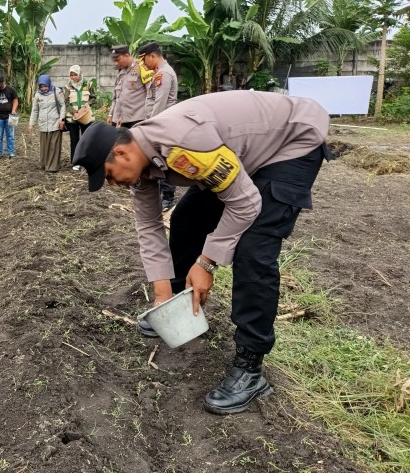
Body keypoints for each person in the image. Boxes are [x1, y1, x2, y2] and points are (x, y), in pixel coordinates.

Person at [72, 91, 330, 415]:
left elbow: (245, 203)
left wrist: (206, 262)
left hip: (291, 140)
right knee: (186, 219)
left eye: (108, 175)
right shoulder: (141, 162)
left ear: (121, 152)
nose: (111, 184)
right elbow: (149, 226)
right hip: (241, 151)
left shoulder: (183, 144)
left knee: (253, 252)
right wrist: (162, 295)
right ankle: (178, 306)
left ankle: (251, 368)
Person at [137, 42, 179, 211]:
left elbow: (160, 104)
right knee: (158, 161)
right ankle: (162, 195)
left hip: (162, 126)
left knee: (164, 161)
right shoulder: (159, 73)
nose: (143, 64)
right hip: (160, 124)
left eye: (144, 60)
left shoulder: (164, 74)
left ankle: (168, 198)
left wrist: (151, 126)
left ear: (152, 56)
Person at [107, 45, 156, 129]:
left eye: (118, 60)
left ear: (126, 55)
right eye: (114, 61)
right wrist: (111, 114)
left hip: (136, 119)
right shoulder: (121, 72)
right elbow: (116, 96)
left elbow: (151, 94)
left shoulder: (142, 67)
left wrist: (149, 117)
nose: (116, 63)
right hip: (119, 119)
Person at [28, 74, 66, 173]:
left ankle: (52, 167)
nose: (43, 88)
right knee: (44, 146)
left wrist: (61, 119)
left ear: (49, 84)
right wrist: (31, 124)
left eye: (45, 86)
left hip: (55, 123)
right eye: (41, 86)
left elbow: (62, 105)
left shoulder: (56, 92)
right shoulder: (37, 95)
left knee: (54, 146)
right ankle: (45, 164)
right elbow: (35, 110)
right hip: (43, 124)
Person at [63, 64, 95, 169]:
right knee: (74, 140)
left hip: (86, 117)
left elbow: (93, 98)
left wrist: (88, 104)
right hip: (73, 118)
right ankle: (76, 162)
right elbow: (66, 103)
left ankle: (86, 161)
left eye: (75, 75)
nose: (73, 77)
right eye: (71, 75)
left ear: (79, 74)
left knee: (86, 139)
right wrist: (74, 112)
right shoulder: (68, 86)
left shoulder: (88, 84)